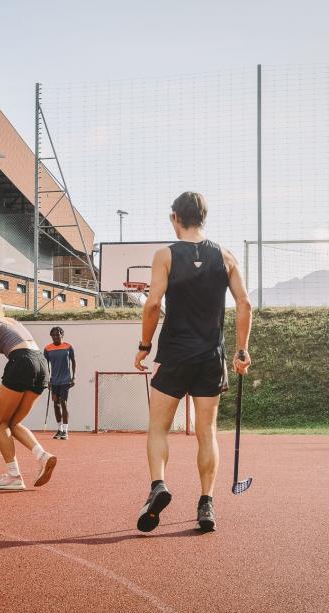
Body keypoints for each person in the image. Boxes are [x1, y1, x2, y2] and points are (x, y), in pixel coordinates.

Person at [134, 192, 252, 533]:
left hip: (173, 354)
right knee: (207, 432)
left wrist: (144, 345)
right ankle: (206, 504)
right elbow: (244, 304)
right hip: (211, 357)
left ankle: (158, 485)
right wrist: (241, 350)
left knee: (158, 426)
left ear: (175, 217)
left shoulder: (165, 255)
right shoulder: (226, 256)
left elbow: (153, 303)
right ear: (203, 217)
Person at [0, 287, 56, 491]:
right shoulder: (13, 321)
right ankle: (43, 456)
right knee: (13, 422)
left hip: (22, 362)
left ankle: (13, 476)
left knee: (0, 423)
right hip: (42, 364)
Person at [43, 326, 76, 439]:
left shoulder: (68, 347)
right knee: (56, 404)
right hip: (54, 381)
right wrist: (47, 380)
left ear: (62, 335)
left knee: (63, 402)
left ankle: (66, 431)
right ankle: (59, 429)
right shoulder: (47, 349)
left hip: (65, 380)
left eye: (57, 334)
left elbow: (73, 361)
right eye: (53, 335)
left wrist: (73, 377)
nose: (55, 337)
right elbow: (45, 365)